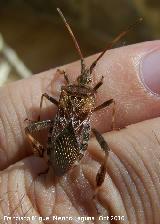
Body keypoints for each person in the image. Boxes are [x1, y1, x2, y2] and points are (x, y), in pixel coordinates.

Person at [0, 40, 160, 223]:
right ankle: (96, 192)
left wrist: (39, 120)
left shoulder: (65, 91)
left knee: (30, 129)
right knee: (106, 152)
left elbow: (45, 96)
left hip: (59, 132)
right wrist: (113, 125)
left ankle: (44, 156)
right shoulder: (90, 94)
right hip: (78, 135)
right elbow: (112, 103)